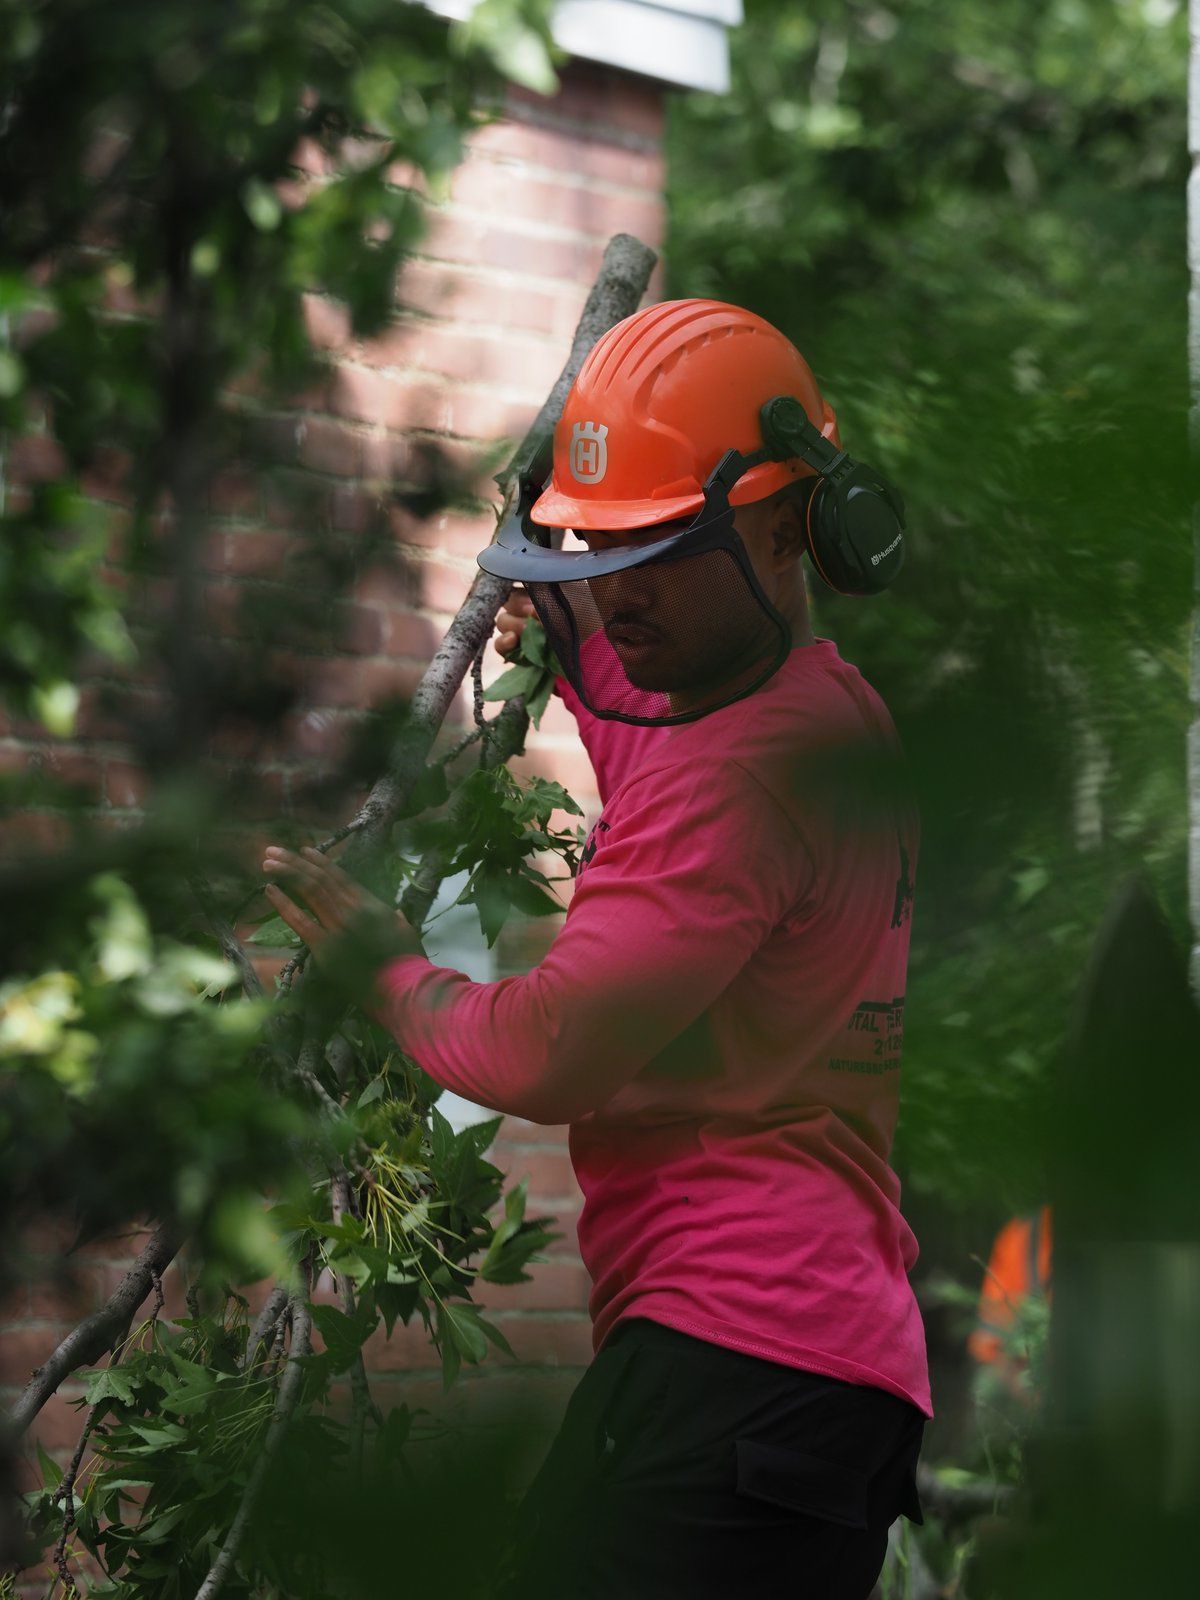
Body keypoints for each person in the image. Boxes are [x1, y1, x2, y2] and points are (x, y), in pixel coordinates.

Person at [264, 299, 929, 1599]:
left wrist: (388, 975)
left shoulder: (738, 783)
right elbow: (691, 789)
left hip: (734, 1367)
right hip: (822, 1377)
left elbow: (553, 1043)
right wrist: (580, 656)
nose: (618, 593)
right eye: (598, 555)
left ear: (789, 525)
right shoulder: (826, 720)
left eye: (659, 554)